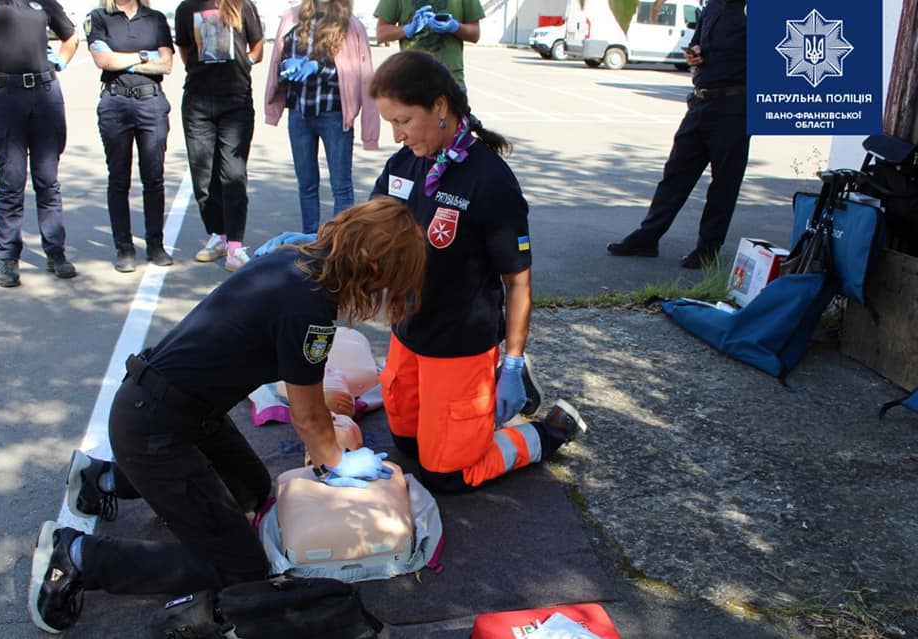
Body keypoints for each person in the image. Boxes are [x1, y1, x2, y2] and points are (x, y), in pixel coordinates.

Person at [27, 199, 427, 634]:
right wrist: (338, 462)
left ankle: (103, 478)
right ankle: (77, 557)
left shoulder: (296, 260)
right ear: (375, 270)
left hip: (175, 409)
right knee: (241, 568)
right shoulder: (311, 307)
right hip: (155, 428)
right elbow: (309, 419)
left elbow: (300, 390)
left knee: (253, 493)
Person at [262, 50, 583, 494]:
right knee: (407, 444)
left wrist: (512, 359)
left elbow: (518, 280)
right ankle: (467, 422)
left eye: (404, 120)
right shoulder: (407, 162)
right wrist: (314, 244)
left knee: (445, 474)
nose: (396, 135)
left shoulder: (490, 181)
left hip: (459, 345)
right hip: (409, 332)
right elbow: (368, 227)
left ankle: (545, 433)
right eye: (390, 122)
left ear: (440, 106)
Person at [606, 0, 748, 269]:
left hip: (735, 107)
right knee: (675, 174)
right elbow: (697, 45)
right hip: (700, 103)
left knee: (724, 184)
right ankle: (647, 238)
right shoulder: (713, 6)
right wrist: (694, 53)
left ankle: (708, 249)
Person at [0, 0, 79, 287]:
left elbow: (70, 35)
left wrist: (61, 61)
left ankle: (56, 252)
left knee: (48, 179)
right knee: (12, 180)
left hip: (44, 93)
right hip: (5, 95)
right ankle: (8, 259)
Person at [263, 0, 379, 234]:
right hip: (299, 114)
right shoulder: (292, 18)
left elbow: (361, 76)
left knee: (341, 186)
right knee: (306, 184)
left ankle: (339, 245)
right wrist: (288, 65)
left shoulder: (351, 24)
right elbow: (278, 60)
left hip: (335, 115)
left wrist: (318, 67)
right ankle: (309, 241)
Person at [85, 0, 175, 273]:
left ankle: (155, 245)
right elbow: (104, 60)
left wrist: (123, 60)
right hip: (116, 103)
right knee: (119, 179)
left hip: (151, 103)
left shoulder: (155, 18)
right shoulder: (99, 17)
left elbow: (167, 64)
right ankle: (124, 248)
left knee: (153, 177)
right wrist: (145, 57)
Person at [175, 0, 264, 271]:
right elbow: (185, 50)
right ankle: (218, 236)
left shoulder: (242, 6)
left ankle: (235, 246)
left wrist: (244, 61)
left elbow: (258, 46)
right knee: (203, 174)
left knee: (233, 174)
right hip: (198, 101)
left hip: (235, 100)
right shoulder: (186, 8)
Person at [373, 0, 483, 88]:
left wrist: (455, 27)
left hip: (450, 80)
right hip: (411, 79)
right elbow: (382, 34)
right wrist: (407, 29)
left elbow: (474, 34)